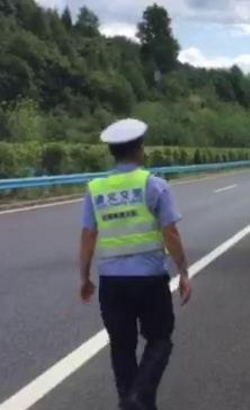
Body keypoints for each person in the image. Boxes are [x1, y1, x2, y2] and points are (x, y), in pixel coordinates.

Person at [79, 118, 192, 410]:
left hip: (112, 283)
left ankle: (131, 400)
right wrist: (183, 271)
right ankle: (139, 396)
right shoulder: (154, 185)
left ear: (112, 152)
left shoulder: (95, 189)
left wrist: (85, 277)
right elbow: (170, 233)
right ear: (139, 149)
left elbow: (88, 235)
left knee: (122, 347)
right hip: (149, 280)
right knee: (160, 338)